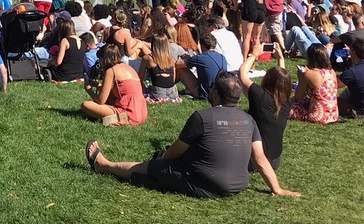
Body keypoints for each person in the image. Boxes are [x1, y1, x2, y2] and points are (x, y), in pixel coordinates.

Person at [84, 73, 299, 199]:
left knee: (153, 168)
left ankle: (104, 165)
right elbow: (260, 159)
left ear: (215, 94)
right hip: (238, 184)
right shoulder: (248, 119)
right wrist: (277, 189)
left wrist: (158, 162)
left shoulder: (202, 117)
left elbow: (175, 152)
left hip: (209, 184)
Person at [239, 46, 291, 170]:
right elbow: (281, 81)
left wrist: (253, 54)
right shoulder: (286, 103)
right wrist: (281, 58)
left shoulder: (259, 95)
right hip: (275, 161)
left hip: (255, 160)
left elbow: (241, 74)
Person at [81, 43, 147, 126]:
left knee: (86, 105)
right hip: (141, 112)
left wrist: (89, 90)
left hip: (128, 114)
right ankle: (106, 117)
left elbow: (101, 100)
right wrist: (98, 85)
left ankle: (114, 119)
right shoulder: (128, 68)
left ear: (103, 59)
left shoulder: (111, 71)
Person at [290, 43, 339, 124]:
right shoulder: (332, 72)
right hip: (333, 115)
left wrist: (301, 77)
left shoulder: (309, 74)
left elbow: (297, 97)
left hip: (318, 116)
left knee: (287, 109)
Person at [178, 32, 228, 100]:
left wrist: (185, 57)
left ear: (202, 46)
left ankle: (170, 90)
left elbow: (178, 65)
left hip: (205, 95)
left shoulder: (201, 57)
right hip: (219, 93)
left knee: (181, 69)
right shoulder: (222, 57)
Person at [139, 33, 181, 102]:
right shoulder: (170, 58)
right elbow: (173, 79)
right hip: (173, 93)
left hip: (158, 93)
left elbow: (139, 79)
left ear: (153, 44)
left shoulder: (147, 58)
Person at [46, 17, 86, 83]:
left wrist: (52, 62)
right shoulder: (82, 41)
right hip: (79, 74)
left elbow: (58, 62)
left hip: (65, 75)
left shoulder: (65, 41)